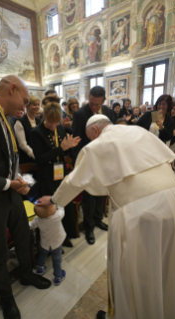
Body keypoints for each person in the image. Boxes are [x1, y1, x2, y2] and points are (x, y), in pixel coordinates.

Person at [38, 114, 175, 319]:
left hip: (142, 214)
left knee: (135, 275)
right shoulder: (138, 131)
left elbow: (73, 182)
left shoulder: (101, 143)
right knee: (168, 266)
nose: (92, 142)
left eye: (91, 137)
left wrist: (53, 200)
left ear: (96, 131)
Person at [0, 75, 51, 319]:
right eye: (24, 101)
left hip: (10, 192)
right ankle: (7, 299)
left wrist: (18, 181)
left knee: (23, 234)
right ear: (11, 89)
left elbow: (7, 156)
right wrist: (8, 183)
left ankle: (26, 274)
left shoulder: (5, 117)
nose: (25, 108)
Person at [31, 95, 81, 247]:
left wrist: (69, 148)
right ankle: (52, 240)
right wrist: (61, 149)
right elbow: (39, 158)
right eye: (50, 122)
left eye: (56, 122)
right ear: (44, 116)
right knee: (51, 208)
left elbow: (62, 149)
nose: (54, 125)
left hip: (60, 172)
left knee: (64, 201)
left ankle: (65, 234)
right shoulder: (36, 132)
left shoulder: (60, 127)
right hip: (46, 176)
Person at [72, 86, 113, 245]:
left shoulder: (108, 112)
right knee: (89, 196)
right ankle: (89, 228)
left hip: (104, 160)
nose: (94, 107)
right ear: (88, 98)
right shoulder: (79, 114)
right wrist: (80, 162)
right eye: (91, 103)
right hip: (89, 160)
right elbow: (77, 140)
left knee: (102, 191)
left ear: (103, 101)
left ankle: (97, 219)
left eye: (97, 104)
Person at [30, 204, 66, 285]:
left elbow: (31, 225)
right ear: (48, 214)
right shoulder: (57, 216)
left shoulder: (37, 219)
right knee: (56, 260)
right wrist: (59, 204)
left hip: (44, 243)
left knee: (42, 255)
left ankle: (40, 268)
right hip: (56, 243)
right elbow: (62, 210)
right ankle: (58, 276)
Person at [14, 95, 40, 164]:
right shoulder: (20, 122)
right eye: (34, 105)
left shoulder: (39, 121)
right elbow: (22, 144)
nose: (37, 107)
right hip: (27, 159)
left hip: (39, 157)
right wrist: (34, 155)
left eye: (38, 105)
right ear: (27, 105)